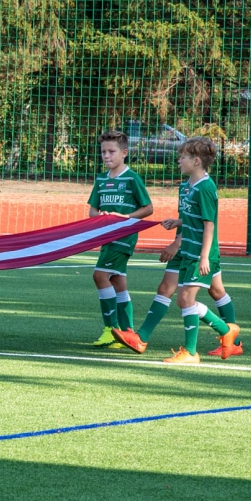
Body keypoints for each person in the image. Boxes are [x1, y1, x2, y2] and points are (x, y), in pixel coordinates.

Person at [116, 137, 240, 362]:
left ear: (196, 161)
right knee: (188, 296)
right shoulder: (186, 186)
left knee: (187, 298)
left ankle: (201, 347)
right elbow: (191, 218)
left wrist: (204, 256)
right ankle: (225, 333)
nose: (178, 160)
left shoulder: (205, 187)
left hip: (198, 252)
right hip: (189, 247)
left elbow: (208, 223)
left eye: (182, 157)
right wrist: (178, 222)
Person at [86, 130, 153, 347]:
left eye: (111, 151)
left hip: (124, 236)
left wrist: (126, 218)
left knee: (99, 276)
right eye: (103, 152)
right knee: (117, 281)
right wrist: (102, 217)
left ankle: (110, 329)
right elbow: (92, 212)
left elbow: (148, 208)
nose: (106, 156)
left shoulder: (132, 178)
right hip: (107, 237)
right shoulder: (101, 180)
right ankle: (127, 332)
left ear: (124, 153)